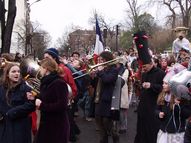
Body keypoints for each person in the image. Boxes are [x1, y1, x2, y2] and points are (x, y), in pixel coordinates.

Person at [133, 31, 166, 143]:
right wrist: (138, 85)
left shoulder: (160, 73)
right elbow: (142, 88)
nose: (143, 68)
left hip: (153, 106)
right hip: (143, 105)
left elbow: (163, 88)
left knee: (150, 130)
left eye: (145, 66)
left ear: (151, 63)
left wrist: (151, 85)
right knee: (141, 128)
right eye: (142, 66)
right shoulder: (144, 73)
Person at [34, 58, 69, 143]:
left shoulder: (59, 83)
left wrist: (42, 106)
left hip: (56, 125)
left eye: (41, 67)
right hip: (47, 123)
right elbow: (46, 97)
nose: (39, 69)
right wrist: (35, 97)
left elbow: (62, 105)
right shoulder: (46, 82)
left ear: (46, 69)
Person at [0, 63, 36, 143]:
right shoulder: (1, 88)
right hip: (4, 127)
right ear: (7, 75)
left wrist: (14, 112)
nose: (17, 73)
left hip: (20, 126)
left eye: (18, 71)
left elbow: (31, 105)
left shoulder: (26, 88)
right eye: (13, 71)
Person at [156, 73, 191, 143]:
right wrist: (158, 113)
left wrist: (179, 105)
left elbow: (187, 114)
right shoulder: (163, 96)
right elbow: (157, 109)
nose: (163, 85)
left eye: (165, 83)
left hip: (176, 133)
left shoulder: (182, 98)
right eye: (163, 83)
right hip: (164, 132)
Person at [94, 51, 119, 143]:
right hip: (99, 99)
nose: (99, 62)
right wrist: (93, 75)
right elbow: (95, 84)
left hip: (108, 101)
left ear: (106, 60)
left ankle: (115, 137)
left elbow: (107, 80)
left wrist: (100, 71)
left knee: (107, 124)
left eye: (101, 60)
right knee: (100, 125)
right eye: (99, 60)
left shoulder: (114, 70)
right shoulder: (102, 70)